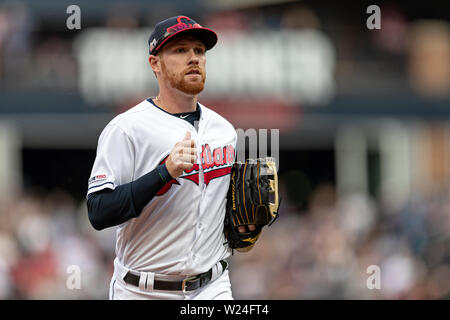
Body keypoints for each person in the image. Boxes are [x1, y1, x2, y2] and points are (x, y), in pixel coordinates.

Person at [86, 15, 241, 300]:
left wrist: (245, 227)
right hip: (142, 289)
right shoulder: (127, 129)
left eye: (199, 51)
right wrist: (164, 172)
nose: (193, 58)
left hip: (212, 286)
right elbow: (98, 211)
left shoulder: (224, 131)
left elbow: (218, 213)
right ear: (154, 63)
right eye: (180, 51)